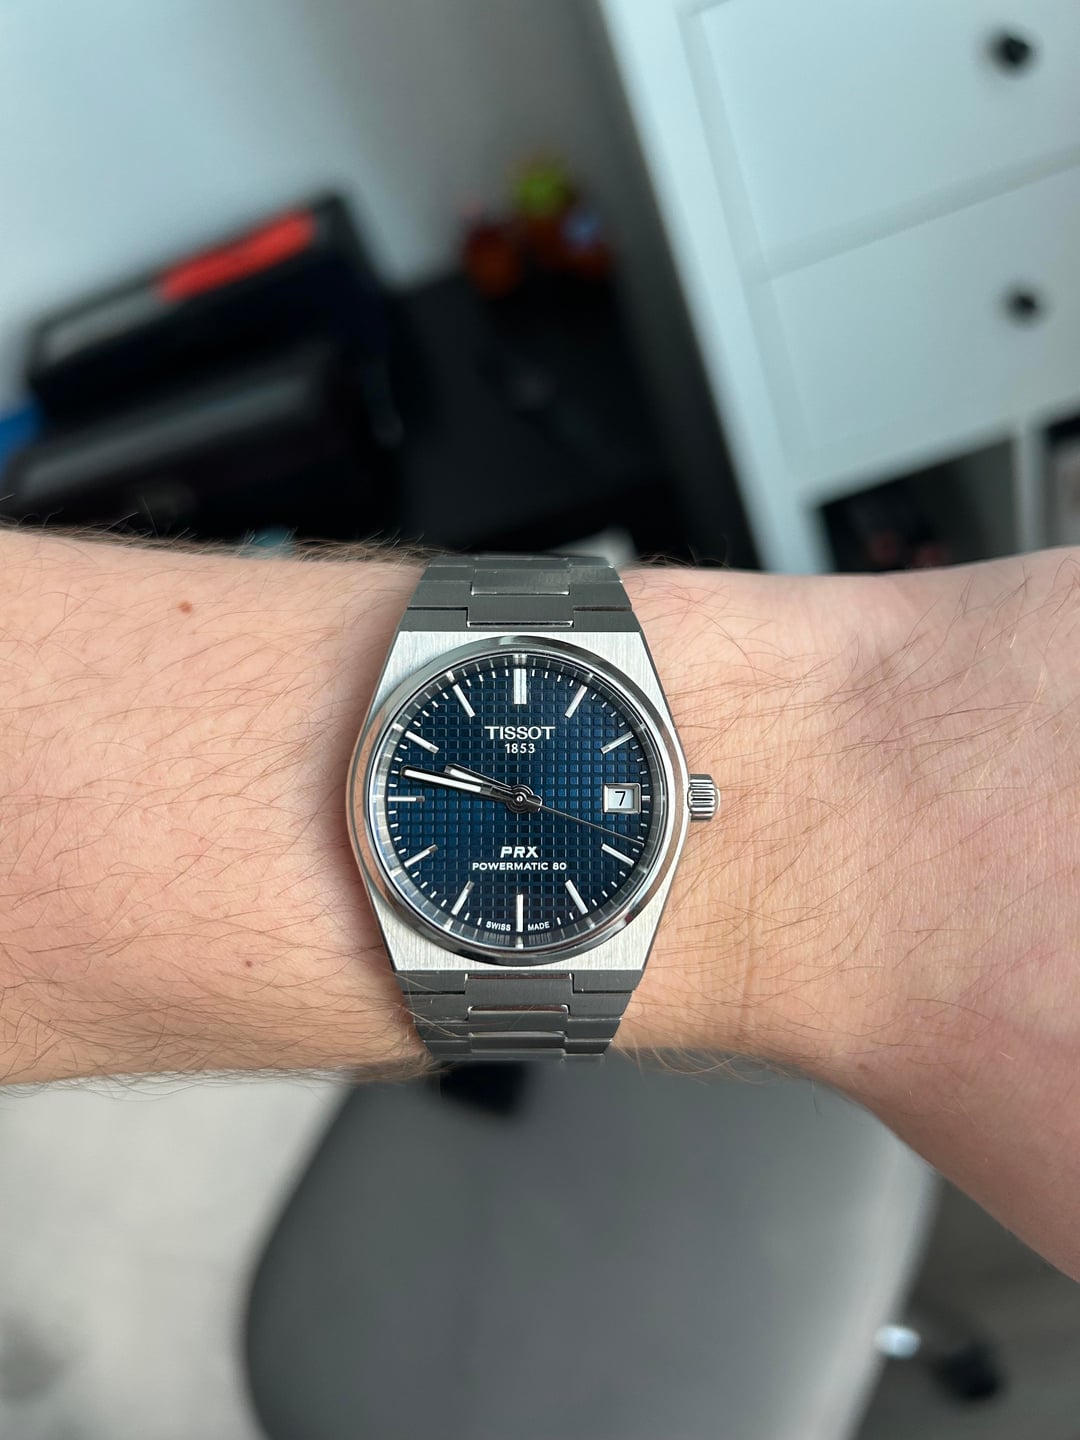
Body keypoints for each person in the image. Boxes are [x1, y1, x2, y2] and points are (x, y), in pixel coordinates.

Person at [1, 527, 1077, 1279]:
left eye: (527, 794)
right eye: (509, 793)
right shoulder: (500, 783)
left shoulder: (628, 803)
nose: (522, 799)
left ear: (688, 796)